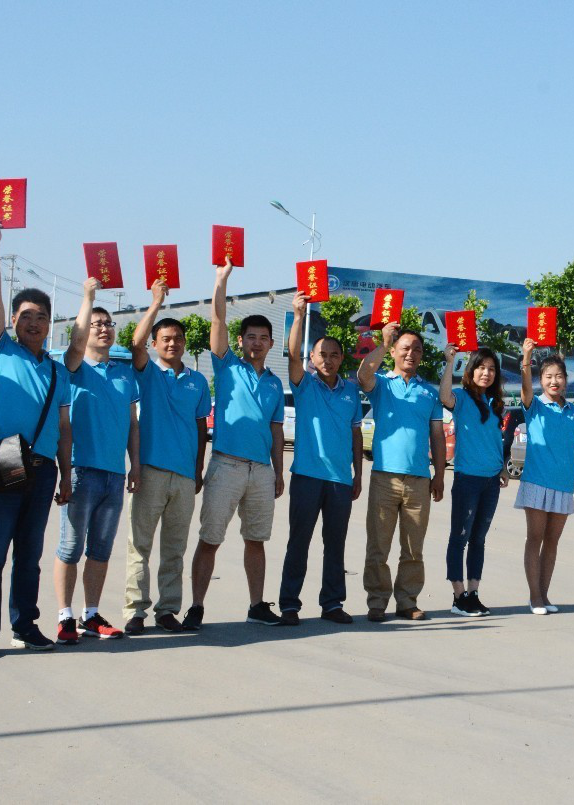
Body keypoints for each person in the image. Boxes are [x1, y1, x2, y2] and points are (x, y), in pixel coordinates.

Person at [0, 216, 72, 658]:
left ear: (50, 324)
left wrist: (65, 475)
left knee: (29, 554)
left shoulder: (57, 371)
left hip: (44, 468)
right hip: (7, 457)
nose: (34, 323)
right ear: (13, 320)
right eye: (26, 316)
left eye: (42, 317)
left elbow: (64, 430)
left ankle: (25, 626)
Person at [189, 261, 285, 629]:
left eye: (263, 337)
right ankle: (196, 606)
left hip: (261, 471)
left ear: (271, 343)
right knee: (210, 538)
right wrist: (221, 280)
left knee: (256, 540)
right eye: (251, 337)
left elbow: (276, 431)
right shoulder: (228, 367)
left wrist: (278, 472)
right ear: (240, 340)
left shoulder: (275, 383)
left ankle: (257, 605)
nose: (257, 342)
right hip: (226, 465)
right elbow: (217, 321)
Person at [52, 278, 140, 643]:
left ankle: (91, 614)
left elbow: (133, 423)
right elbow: (75, 345)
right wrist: (88, 297)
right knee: (70, 548)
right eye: (96, 324)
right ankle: (65, 616)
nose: (103, 329)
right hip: (81, 470)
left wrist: (135, 465)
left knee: (100, 550)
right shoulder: (73, 368)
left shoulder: (124, 374)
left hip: (113, 474)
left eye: (108, 324)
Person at [122, 280, 210, 635]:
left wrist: (198, 469)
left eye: (178, 339)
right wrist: (156, 303)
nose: (173, 343)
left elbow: (201, 428)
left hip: (184, 477)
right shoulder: (147, 374)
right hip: (150, 471)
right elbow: (135, 344)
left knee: (174, 549)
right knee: (140, 545)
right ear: (156, 344)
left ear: (185, 343)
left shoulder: (198, 381)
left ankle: (167, 610)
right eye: (166, 339)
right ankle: (135, 611)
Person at [277, 293, 363, 626]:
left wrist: (358, 474)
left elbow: (356, 434)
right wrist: (299, 316)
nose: (327, 360)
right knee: (299, 542)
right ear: (312, 358)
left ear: (342, 359)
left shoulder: (351, 391)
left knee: (335, 545)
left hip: (340, 480)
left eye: (334, 355)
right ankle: (289, 605)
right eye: (321, 354)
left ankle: (332, 603)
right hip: (307, 477)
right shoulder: (304, 386)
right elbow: (292, 356)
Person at [357, 322, 446, 622]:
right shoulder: (382, 384)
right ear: (394, 352)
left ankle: (407, 601)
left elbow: (437, 436)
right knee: (378, 546)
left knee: (413, 548)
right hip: (384, 476)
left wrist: (439, 475)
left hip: (419, 479)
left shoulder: (429, 393)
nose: (411, 353)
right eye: (405, 348)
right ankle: (377, 602)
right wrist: (382, 343)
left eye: (417, 349)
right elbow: (363, 375)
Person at [515, 338, 574, 615]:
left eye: (558, 376)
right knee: (535, 538)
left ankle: (544, 594)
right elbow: (525, 390)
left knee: (552, 542)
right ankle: (534, 597)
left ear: (565, 380)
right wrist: (526, 357)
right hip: (536, 482)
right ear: (541, 380)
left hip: (563, 486)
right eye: (548, 377)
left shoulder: (573, 412)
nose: (554, 381)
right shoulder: (534, 405)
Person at [439, 344, 509, 617]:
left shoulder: (495, 403)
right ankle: (458, 597)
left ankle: (473, 593)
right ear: (471, 370)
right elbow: (444, 396)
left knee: (478, 540)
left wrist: (502, 468)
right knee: (459, 537)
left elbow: (494, 440)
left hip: (491, 482)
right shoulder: (462, 397)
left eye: (491, 369)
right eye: (481, 367)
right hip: (467, 479)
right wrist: (450, 362)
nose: (486, 373)